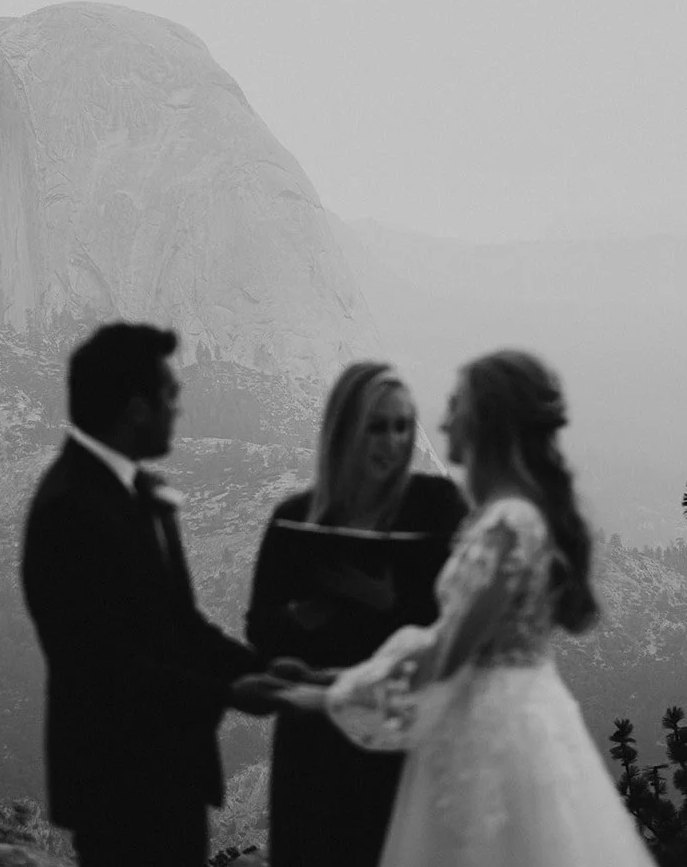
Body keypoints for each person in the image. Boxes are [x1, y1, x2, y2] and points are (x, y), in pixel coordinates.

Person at [281, 351, 657, 867]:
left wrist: (328, 696)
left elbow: (446, 653)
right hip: (502, 719)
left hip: (494, 739)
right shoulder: (508, 517)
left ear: (487, 422)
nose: (442, 420)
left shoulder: (507, 524)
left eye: (455, 405)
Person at [21, 322, 291, 867]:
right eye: (171, 395)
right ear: (135, 408)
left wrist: (265, 666)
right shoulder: (69, 509)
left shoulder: (130, 490)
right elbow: (106, 666)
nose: (179, 410)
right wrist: (233, 689)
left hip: (168, 776)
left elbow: (180, 623)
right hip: (118, 787)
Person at [246, 360, 467, 867]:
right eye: (376, 426)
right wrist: (302, 619)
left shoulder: (436, 507)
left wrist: (387, 604)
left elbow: (460, 625)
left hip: (403, 736)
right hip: (317, 741)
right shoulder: (294, 519)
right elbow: (261, 631)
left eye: (401, 426)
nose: (391, 442)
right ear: (344, 429)